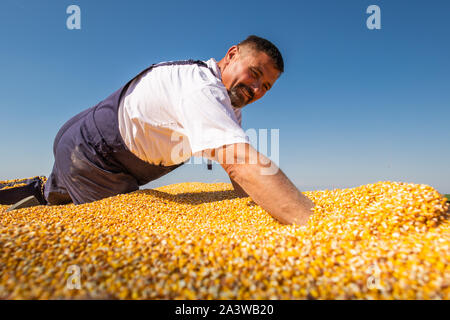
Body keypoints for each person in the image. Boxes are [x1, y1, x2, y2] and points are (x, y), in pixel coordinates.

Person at [3, 35, 315, 225]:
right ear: (232, 54)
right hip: (96, 155)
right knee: (119, 233)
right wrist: (312, 222)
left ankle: (31, 192)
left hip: (88, 138)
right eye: (255, 73)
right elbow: (238, 160)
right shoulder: (201, 88)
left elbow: (236, 173)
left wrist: (258, 205)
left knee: (56, 200)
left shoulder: (228, 108)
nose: (257, 89)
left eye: (267, 87)